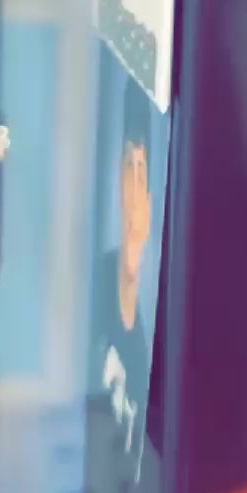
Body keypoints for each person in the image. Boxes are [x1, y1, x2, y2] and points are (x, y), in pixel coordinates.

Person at [95, 74, 154, 451]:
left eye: (142, 170)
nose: (134, 186)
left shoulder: (161, 300)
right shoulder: (99, 280)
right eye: (129, 167)